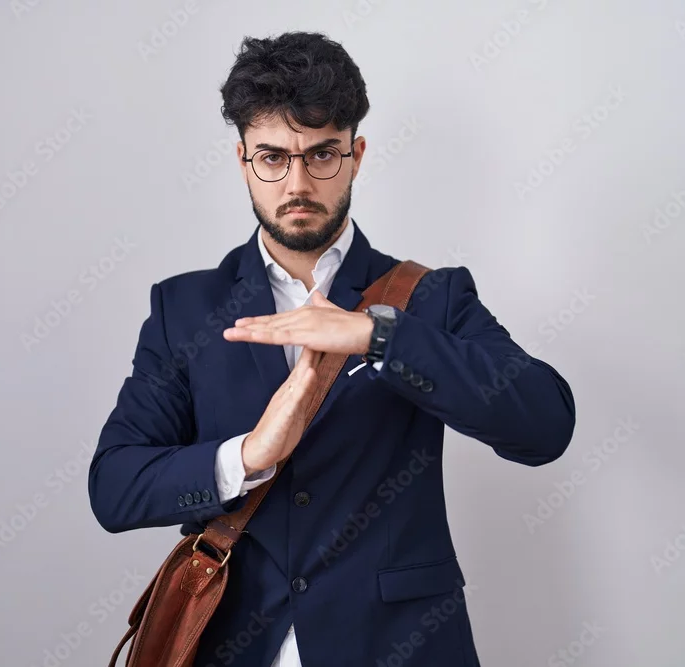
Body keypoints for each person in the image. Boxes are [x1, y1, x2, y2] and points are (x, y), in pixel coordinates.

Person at [88, 30, 576, 667]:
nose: (297, 182)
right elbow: (115, 487)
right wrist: (248, 456)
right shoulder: (183, 309)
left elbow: (545, 425)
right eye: (272, 157)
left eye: (321, 155)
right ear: (242, 160)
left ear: (356, 155)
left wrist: (382, 337)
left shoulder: (431, 298)